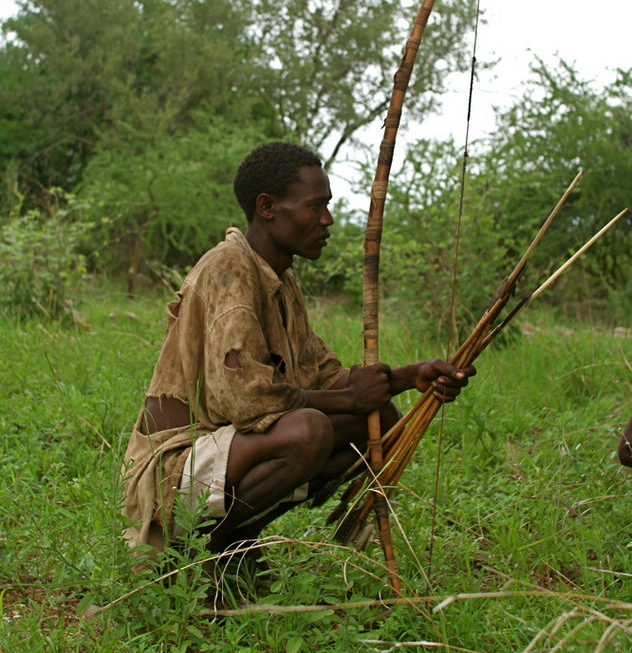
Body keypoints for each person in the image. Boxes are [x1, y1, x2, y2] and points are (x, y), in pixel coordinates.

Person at [122, 142, 475, 566]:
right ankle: (207, 557)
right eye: (315, 206)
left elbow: (323, 377)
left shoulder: (280, 280)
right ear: (267, 207)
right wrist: (348, 400)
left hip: (220, 458)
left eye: (327, 206)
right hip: (171, 472)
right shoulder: (229, 269)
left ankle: (237, 543)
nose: (326, 220)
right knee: (307, 431)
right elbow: (247, 401)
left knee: (379, 420)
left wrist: (407, 377)